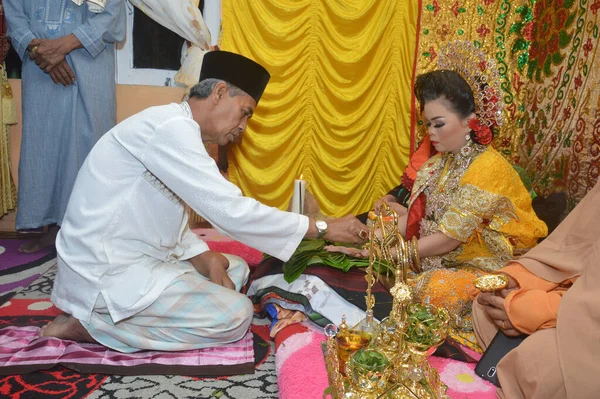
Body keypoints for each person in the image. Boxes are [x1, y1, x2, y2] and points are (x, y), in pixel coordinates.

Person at [41, 50, 369, 353]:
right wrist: (322, 227)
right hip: (105, 270)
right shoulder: (170, 129)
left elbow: (163, 219)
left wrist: (207, 257)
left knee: (234, 268)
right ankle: (95, 325)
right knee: (236, 316)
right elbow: (231, 211)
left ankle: (119, 314)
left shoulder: (179, 130)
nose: (243, 127)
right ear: (219, 93)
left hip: (133, 256)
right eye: (244, 113)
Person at [329, 42, 548, 351]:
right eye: (428, 124)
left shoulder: (488, 168)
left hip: (487, 267)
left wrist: (388, 254)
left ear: (470, 120)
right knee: (380, 244)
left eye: (438, 124)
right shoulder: (437, 164)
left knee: (431, 290)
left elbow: (447, 239)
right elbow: (420, 221)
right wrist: (369, 242)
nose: (430, 132)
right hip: (439, 257)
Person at [4, 0, 126, 252]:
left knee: (88, 141)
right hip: (40, 67)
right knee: (43, 141)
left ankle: (84, 232)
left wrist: (64, 45)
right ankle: (51, 227)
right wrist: (39, 50)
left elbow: (112, 14)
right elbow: (14, 11)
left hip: (88, 62)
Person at [472, 179, 600, 399]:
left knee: (538, 363)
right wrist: (521, 280)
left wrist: (543, 310)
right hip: (577, 293)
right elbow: (572, 247)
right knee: (485, 307)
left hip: (590, 320)